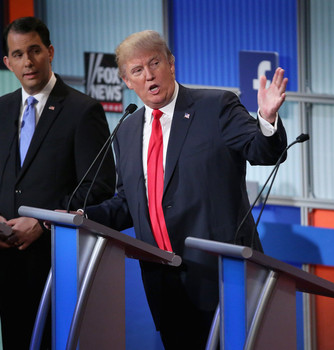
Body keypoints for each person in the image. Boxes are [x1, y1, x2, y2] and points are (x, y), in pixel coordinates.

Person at [83, 30, 288, 348]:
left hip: (221, 277)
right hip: (163, 281)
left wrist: (266, 118)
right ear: (126, 80)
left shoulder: (215, 106)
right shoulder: (127, 130)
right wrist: (81, 216)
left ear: (171, 64)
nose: (149, 75)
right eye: (138, 70)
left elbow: (262, 150)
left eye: (155, 63)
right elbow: (129, 202)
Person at [0, 17, 116, 349]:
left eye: (35, 51)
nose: (28, 61)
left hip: (59, 263)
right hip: (9, 264)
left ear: (50, 52)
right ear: (8, 62)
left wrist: (43, 222)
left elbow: (97, 185)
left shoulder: (83, 110)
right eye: (19, 54)